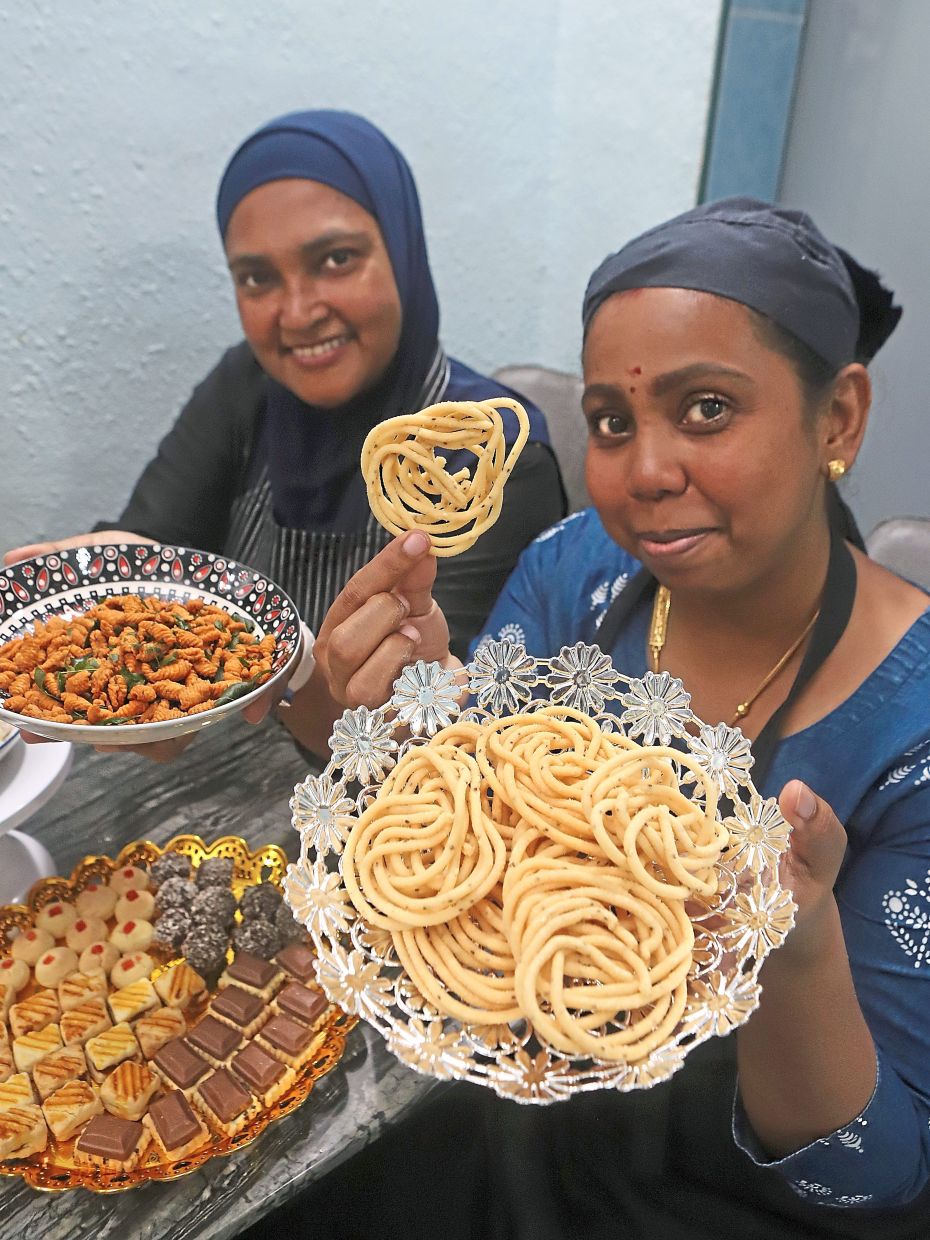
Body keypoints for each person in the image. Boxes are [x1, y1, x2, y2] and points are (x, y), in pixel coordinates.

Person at [274, 199, 930, 1239]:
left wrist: (799, 946)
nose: (646, 470)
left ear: (838, 417)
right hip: (504, 1133)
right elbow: (480, 820)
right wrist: (421, 698)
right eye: (614, 423)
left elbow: (880, 1181)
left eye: (706, 407)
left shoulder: (913, 739)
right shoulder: (578, 566)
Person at [5, 110, 564, 755]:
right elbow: (155, 558)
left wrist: (296, 675)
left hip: (375, 805)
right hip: (204, 775)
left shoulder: (490, 454)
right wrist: (114, 591)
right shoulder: (250, 384)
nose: (296, 314)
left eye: (336, 259)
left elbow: (438, 740)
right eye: (256, 278)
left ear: (403, 250)